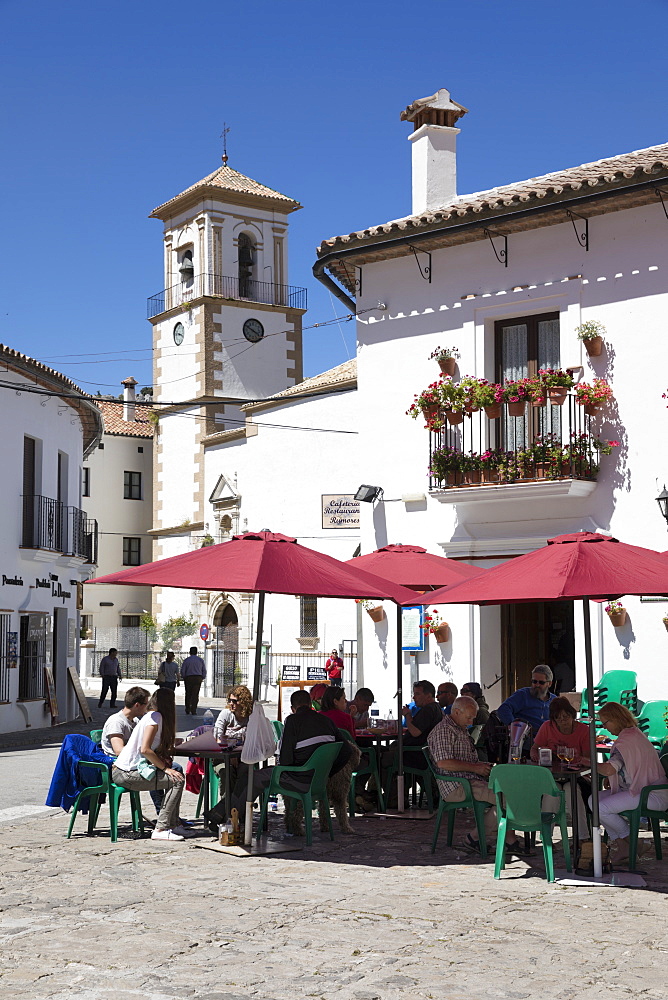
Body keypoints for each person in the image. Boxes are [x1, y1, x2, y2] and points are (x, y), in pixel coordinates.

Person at [231, 689, 352, 817]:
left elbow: (285, 759)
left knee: (251, 777)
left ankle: (229, 816)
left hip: (297, 779)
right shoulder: (327, 721)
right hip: (319, 780)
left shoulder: (292, 721)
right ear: (311, 704)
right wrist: (328, 772)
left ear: (292, 708)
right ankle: (225, 814)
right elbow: (347, 750)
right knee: (256, 777)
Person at [428, 695, 522, 852]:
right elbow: (443, 763)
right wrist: (475, 768)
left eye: (473, 718)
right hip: (456, 785)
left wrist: (480, 766)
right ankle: (477, 838)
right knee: (507, 798)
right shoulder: (444, 731)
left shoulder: (459, 728)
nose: (471, 722)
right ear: (457, 712)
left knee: (509, 791)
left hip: (468, 780)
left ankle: (504, 839)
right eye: (469, 717)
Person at [594, 702, 668, 863]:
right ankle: (624, 845)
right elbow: (626, 765)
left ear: (616, 719)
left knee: (601, 807)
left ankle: (634, 843)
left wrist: (588, 762)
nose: (604, 727)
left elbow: (609, 769)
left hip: (652, 794)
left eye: (605, 722)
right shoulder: (633, 734)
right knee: (593, 801)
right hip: (643, 790)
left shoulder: (627, 740)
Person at [113, 687, 187, 841]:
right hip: (126, 773)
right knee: (176, 780)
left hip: (127, 770)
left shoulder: (152, 716)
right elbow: (145, 749)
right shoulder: (155, 717)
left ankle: (173, 825)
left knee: (177, 773)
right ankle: (162, 827)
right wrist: (165, 768)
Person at [530, 696, 590, 838]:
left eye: (566, 716)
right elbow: (534, 749)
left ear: (572, 714)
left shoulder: (583, 730)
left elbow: (589, 758)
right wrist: (538, 755)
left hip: (577, 776)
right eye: (558, 718)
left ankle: (582, 837)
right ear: (553, 719)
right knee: (551, 791)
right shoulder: (547, 727)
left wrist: (578, 758)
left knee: (571, 790)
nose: (563, 721)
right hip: (553, 775)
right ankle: (546, 837)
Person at [495, 664, 557, 735]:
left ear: (549, 684)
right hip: (526, 738)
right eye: (534, 681)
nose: (537, 685)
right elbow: (503, 709)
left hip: (547, 738)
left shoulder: (554, 700)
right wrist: (514, 727)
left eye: (541, 682)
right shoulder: (522, 695)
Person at [100, 686, 150, 756]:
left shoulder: (135, 721)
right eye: (146, 704)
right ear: (137, 705)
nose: (147, 707)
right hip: (116, 761)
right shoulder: (116, 722)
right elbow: (119, 751)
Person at [181, 646, 206, 715]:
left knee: (188, 693)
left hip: (189, 678)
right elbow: (204, 670)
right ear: (196, 652)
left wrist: (184, 677)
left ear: (190, 652)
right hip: (198, 678)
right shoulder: (200, 660)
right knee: (195, 694)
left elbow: (183, 670)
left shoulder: (187, 660)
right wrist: (202, 677)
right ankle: (193, 709)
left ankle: (187, 708)